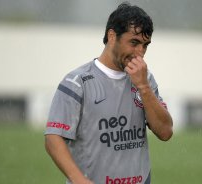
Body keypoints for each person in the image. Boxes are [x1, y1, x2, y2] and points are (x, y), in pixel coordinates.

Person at [44, 2, 173, 184]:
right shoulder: (76, 82)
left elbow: (165, 131)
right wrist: (78, 180)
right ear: (112, 36)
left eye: (145, 45)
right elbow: (53, 138)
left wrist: (143, 87)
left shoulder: (146, 79)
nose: (140, 53)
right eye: (134, 43)